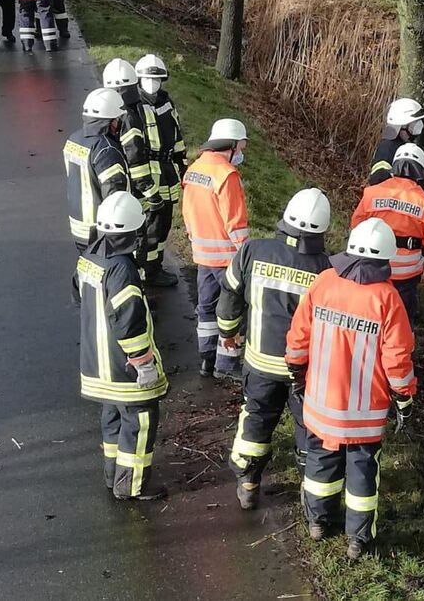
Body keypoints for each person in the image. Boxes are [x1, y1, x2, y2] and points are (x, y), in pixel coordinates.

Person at [286, 217, 416, 560]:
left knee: (320, 462)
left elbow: (299, 337)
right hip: (364, 415)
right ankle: (358, 540)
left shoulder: (324, 283)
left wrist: (296, 372)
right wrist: (404, 397)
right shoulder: (387, 299)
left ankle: (318, 521)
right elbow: (398, 359)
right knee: (362, 474)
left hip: (319, 403)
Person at [220, 188, 333, 509]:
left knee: (256, 419)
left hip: (259, 365)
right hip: (304, 373)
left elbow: (229, 296)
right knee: (308, 430)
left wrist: (229, 334)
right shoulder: (327, 270)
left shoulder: (252, 250)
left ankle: (248, 482)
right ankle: (313, 498)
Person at [77, 191, 169, 500]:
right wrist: (143, 363)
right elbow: (128, 321)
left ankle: (111, 474)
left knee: (112, 417)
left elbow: (79, 295)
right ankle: (130, 485)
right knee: (140, 420)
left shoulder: (89, 257)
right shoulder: (123, 270)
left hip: (96, 366)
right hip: (123, 369)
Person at [181, 119, 251, 380]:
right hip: (226, 258)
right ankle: (227, 363)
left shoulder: (194, 169)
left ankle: (206, 358)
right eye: (241, 147)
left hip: (202, 255)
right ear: (231, 146)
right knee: (232, 311)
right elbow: (235, 222)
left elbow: (187, 212)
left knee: (207, 307)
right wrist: (246, 255)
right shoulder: (227, 175)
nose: (242, 153)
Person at [350, 143, 424, 327]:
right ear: (421, 171)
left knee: (368, 309)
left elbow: (356, 225)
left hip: (371, 263)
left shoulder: (372, 193)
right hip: (405, 273)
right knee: (401, 317)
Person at [134, 53, 186, 286]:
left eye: (157, 79)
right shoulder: (134, 107)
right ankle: (145, 272)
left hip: (167, 170)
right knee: (149, 225)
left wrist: (181, 162)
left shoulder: (166, 102)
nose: (153, 84)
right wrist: (144, 184)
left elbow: (176, 135)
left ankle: (155, 267)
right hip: (148, 171)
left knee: (163, 223)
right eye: (148, 79)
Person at [64, 88, 130, 254]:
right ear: (110, 121)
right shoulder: (106, 150)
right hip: (100, 228)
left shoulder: (73, 139)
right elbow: (114, 194)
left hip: (78, 223)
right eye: (117, 119)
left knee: (90, 270)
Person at [102, 58, 160, 221]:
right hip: (133, 189)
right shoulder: (129, 118)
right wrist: (151, 192)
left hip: (111, 183)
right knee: (138, 234)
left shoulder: (105, 111)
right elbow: (135, 159)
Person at [368, 98, 424, 186]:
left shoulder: (400, 144)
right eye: (414, 122)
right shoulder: (386, 149)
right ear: (403, 124)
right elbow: (378, 179)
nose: (419, 125)